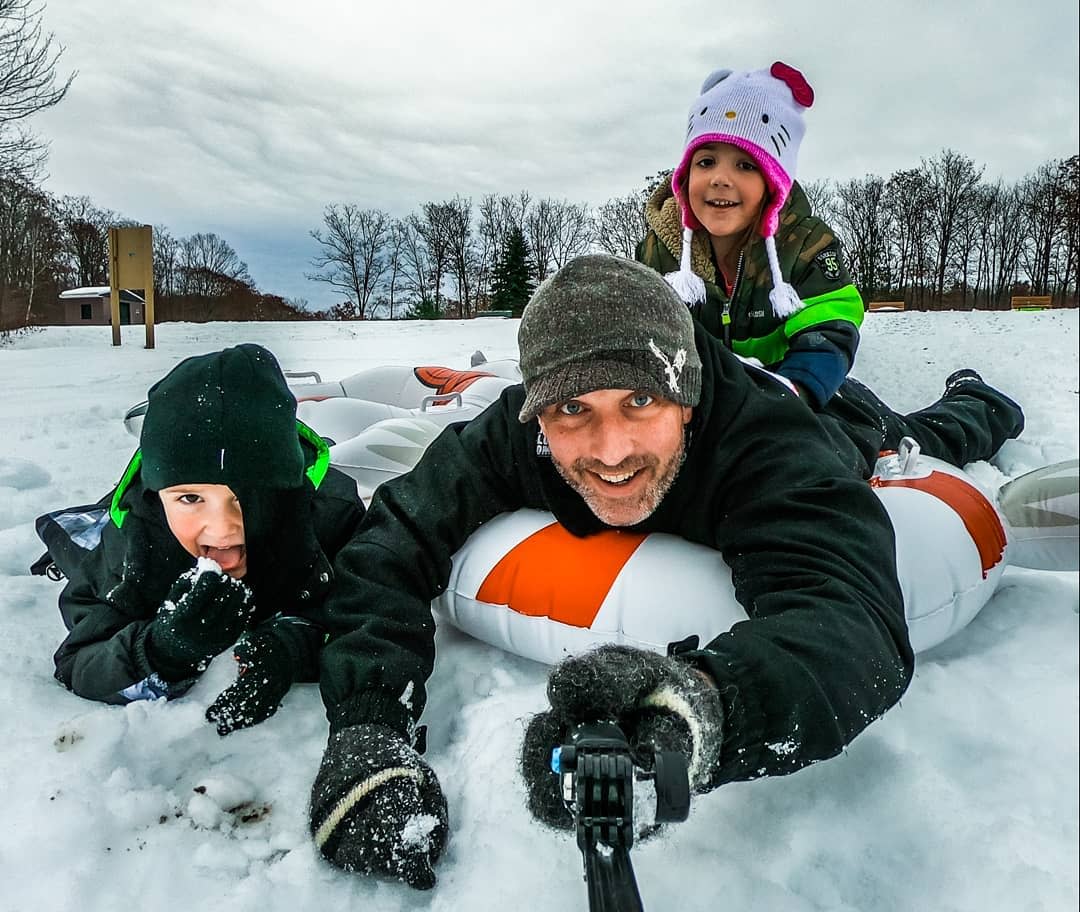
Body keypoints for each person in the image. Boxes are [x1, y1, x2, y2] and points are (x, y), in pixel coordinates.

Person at [304, 255, 1022, 889]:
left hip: (840, 423)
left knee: (921, 435)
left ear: (687, 393)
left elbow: (850, 614)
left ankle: (977, 399)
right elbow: (393, 538)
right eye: (573, 410)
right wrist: (368, 726)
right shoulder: (514, 436)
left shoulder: (769, 447)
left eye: (640, 402)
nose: (610, 450)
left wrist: (704, 706)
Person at [33, 343, 365, 737]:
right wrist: (162, 650)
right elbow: (79, 659)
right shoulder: (137, 545)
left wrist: (293, 646)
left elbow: (363, 612)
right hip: (138, 534)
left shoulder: (330, 513)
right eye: (190, 498)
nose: (222, 528)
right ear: (161, 496)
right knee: (83, 541)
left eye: (249, 496)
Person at [636, 61, 861, 411]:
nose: (719, 179)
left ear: (772, 184)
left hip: (789, 392)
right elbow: (640, 333)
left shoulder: (803, 245)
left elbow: (829, 330)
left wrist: (795, 391)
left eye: (745, 165)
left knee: (860, 431)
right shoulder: (659, 252)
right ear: (684, 177)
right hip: (698, 401)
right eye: (706, 162)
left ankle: (971, 403)